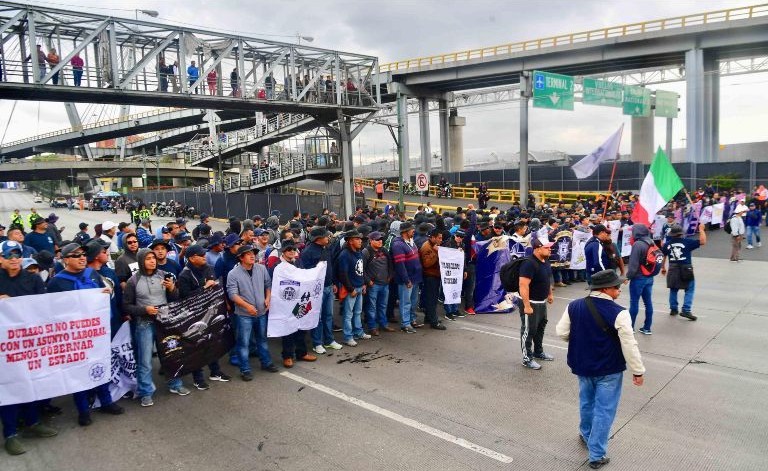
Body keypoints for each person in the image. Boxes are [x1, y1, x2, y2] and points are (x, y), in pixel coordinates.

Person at [555, 269, 645, 470]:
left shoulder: (574, 305)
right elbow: (629, 344)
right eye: (616, 287)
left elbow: (561, 332)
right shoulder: (619, 312)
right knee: (604, 410)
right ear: (605, 289)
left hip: (582, 365)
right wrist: (637, 370)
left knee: (586, 401)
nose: (619, 290)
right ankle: (596, 454)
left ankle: (586, 433)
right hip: (608, 368)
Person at [47, 243, 126, 425]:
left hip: (97, 333)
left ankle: (106, 401)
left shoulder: (92, 274)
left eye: (83, 254)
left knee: (101, 366)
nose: (82, 258)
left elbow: (105, 296)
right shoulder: (57, 282)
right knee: (79, 373)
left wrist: (106, 292)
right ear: (66, 260)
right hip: (74, 337)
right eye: (76, 255)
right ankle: (83, 410)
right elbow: (51, 311)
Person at [0, 241, 58, 456]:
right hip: (5, 348)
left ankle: (33, 422)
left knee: (32, 383)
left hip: (31, 342)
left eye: (17, 254)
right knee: (8, 388)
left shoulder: (32, 279)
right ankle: (10, 433)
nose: (14, 259)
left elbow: (43, 307)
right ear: (1, 259)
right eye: (9, 255)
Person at [122, 248, 181, 406]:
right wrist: (144, 310)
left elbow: (175, 298)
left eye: (153, 258)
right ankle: (146, 392)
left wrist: (171, 289)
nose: (152, 261)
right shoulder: (133, 281)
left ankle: (175, 384)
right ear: (141, 261)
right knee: (145, 360)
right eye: (148, 258)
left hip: (164, 323)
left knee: (170, 354)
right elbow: (126, 306)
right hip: (144, 324)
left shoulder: (163, 275)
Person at [177, 244, 231, 387]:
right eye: (201, 255)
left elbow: (215, 287)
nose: (204, 257)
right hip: (193, 317)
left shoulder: (208, 268)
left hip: (210, 312)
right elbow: (184, 298)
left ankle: (215, 372)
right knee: (197, 346)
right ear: (192, 258)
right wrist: (204, 287)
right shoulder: (184, 275)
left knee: (212, 342)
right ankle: (198, 378)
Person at [226, 245, 277, 381]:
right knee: (243, 343)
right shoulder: (233, 274)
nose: (252, 256)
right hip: (243, 315)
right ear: (241, 258)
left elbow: (268, 284)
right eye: (248, 254)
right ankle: (245, 369)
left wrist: (267, 298)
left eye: (253, 253)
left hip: (261, 312)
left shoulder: (261, 268)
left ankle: (266, 363)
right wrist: (247, 306)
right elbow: (232, 294)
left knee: (262, 339)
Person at [267, 240, 317, 367]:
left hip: (299, 300)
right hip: (284, 302)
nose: (292, 252)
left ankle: (301, 353)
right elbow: (271, 283)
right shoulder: (276, 266)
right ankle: (287, 356)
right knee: (287, 330)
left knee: (300, 328)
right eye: (289, 250)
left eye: (294, 249)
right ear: (283, 251)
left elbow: (305, 277)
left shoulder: (298, 262)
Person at [299, 226, 343, 354]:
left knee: (328, 315)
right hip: (316, 290)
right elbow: (305, 273)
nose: (328, 238)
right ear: (318, 239)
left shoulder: (327, 249)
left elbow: (331, 268)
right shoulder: (308, 252)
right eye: (325, 236)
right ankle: (317, 343)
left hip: (329, 286)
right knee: (316, 317)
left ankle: (329, 340)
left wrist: (334, 282)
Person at [518, 238, 555, 370]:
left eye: (550, 247)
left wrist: (549, 294)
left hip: (541, 301)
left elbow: (547, 278)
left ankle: (538, 352)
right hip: (531, 302)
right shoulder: (529, 263)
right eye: (547, 247)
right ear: (537, 248)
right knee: (528, 331)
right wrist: (527, 305)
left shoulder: (545, 261)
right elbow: (523, 286)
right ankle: (527, 358)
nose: (550, 249)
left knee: (540, 328)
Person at [661, 223, 706, 321]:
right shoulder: (687, 242)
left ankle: (673, 308)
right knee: (689, 289)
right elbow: (702, 241)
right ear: (681, 233)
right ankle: (686, 309)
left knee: (673, 289)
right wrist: (701, 229)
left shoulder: (667, 244)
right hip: (686, 268)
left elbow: (663, 255)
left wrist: (663, 267)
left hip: (673, 268)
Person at [337, 230, 369, 346]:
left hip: (360, 287)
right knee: (348, 314)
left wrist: (364, 283)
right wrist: (351, 289)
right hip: (351, 289)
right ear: (350, 241)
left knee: (357, 312)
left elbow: (361, 270)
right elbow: (343, 274)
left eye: (360, 239)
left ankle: (358, 332)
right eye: (357, 239)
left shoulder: (358, 252)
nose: (360, 241)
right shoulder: (344, 255)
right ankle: (347, 337)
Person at [391, 222, 424, 333]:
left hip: (415, 278)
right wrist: (406, 279)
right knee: (405, 302)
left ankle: (412, 320)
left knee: (413, 302)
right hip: (407, 280)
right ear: (405, 232)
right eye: (411, 229)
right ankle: (405, 324)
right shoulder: (398, 245)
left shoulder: (411, 241)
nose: (413, 231)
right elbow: (400, 265)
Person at [625, 224, 656, 334]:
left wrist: (627, 277)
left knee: (634, 302)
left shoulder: (638, 244)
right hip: (649, 277)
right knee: (648, 303)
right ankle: (647, 328)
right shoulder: (651, 242)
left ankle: (630, 327)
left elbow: (633, 265)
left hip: (638, 278)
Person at [362, 231, 395, 335]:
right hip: (374, 285)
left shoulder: (384, 250)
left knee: (382, 305)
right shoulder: (366, 252)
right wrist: (368, 281)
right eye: (377, 239)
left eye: (381, 239)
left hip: (385, 284)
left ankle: (383, 324)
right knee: (371, 307)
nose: (380, 241)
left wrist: (390, 276)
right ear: (371, 241)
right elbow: (361, 269)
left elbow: (390, 263)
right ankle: (372, 327)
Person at [419, 228, 447, 330]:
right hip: (430, 276)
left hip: (435, 275)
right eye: (439, 238)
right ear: (433, 237)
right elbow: (426, 264)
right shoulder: (427, 247)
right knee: (431, 299)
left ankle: (429, 317)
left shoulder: (434, 245)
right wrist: (435, 253)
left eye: (441, 238)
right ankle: (433, 322)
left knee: (433, 298)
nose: (441, 240)